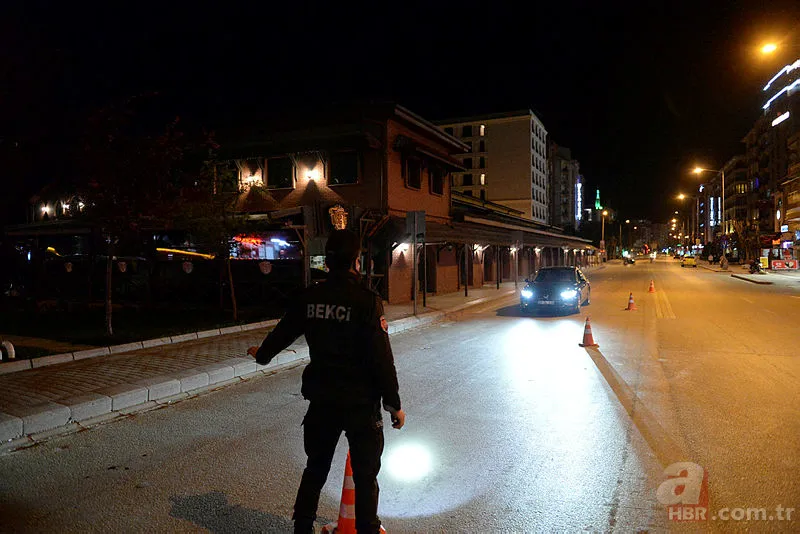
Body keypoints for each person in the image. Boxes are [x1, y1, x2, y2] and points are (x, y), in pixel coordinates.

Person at [247, 229, 405, 534]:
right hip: (361, 404)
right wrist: (394, 404)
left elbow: (283, 332)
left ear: (327, 262)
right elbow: (382, 359)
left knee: (315, 469)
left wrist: (262, 356)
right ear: (356, 261)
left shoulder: (310, 297)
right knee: (365, 476)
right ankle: (367, 530)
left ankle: (302, 528)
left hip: (323, 400)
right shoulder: (366, 301)